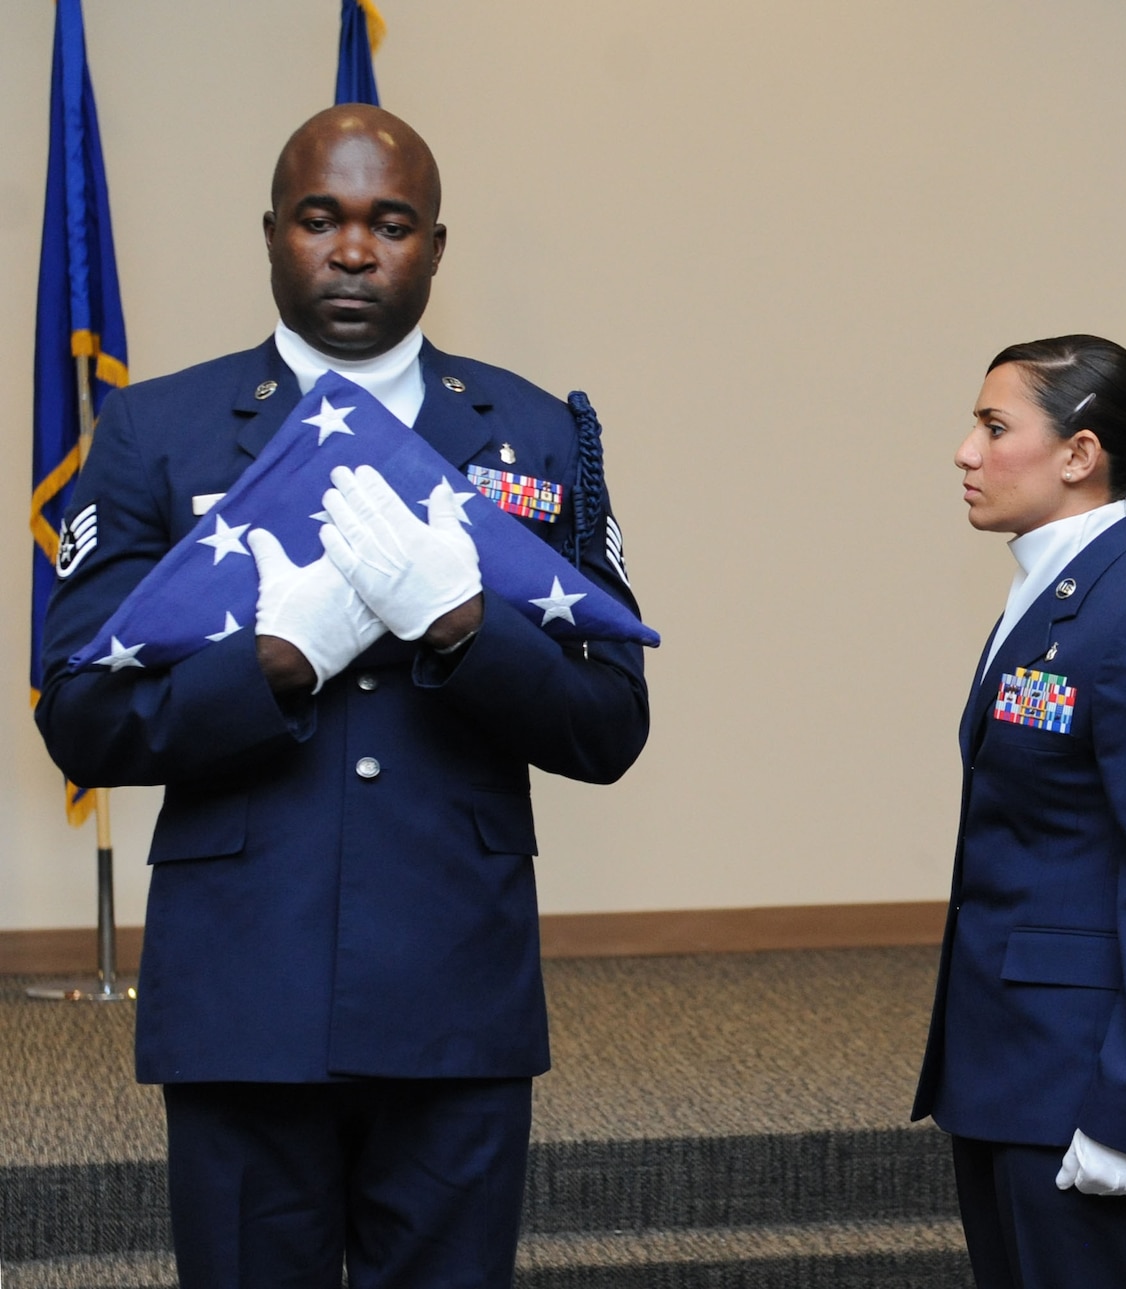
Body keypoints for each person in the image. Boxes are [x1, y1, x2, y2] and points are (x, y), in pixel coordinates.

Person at [34, 105, 649, 1286]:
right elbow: (78, 709)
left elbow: (610, 722)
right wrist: (269, 660)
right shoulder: (154, 428)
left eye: (391, 222)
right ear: (272, 233)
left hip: (453, 984)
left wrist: (465, 625)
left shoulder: (528, 430)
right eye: (322, 218)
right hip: (241, 988)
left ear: (435, 245)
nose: (356, 249)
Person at [911, 335, 1126, 1289]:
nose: (966, 452)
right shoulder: (1052, 594)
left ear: (1079, 454)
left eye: (994, 425)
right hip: (1013, 1072)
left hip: (1091, 1083)